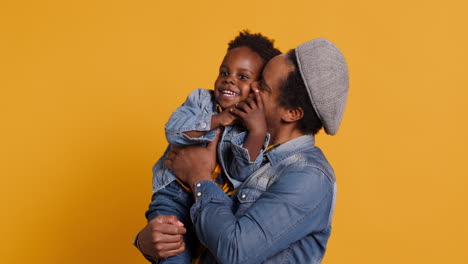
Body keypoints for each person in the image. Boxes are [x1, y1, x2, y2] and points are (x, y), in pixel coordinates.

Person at [139, 38, 349, 263]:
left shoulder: (309, 177)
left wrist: (198, 176)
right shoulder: (246, 144)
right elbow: (205, 232)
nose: (252, 88)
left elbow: (234, 251)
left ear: (291, 113)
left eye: (263, 86)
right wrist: (149, 242)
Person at [136, 31, 281, 263]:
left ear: (258, 89)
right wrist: (218, 120)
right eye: (224, 72)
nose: (229, 79)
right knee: (173, 255)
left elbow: (242, 174)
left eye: (243, 77)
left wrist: (256, 132)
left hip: (213, 206)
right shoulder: (201, 100)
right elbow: (173, 131)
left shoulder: (256, 126)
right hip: (174, 196)